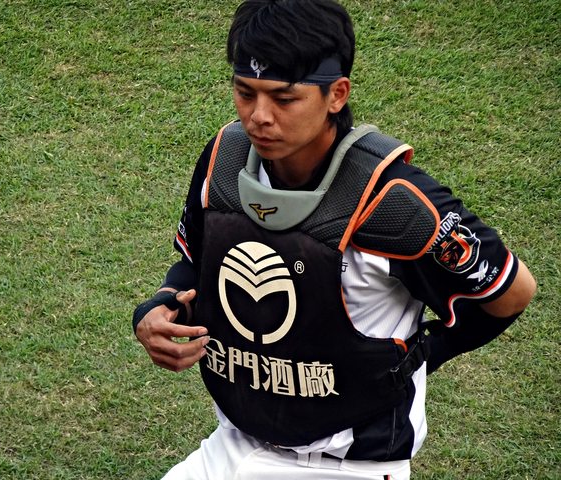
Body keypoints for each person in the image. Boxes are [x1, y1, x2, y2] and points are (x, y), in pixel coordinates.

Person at [132, 1, 537, 478]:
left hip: (347, 469)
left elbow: (512, 291)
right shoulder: (226, 161)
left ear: (337, 94)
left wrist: (420, 357)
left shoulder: (395, 204)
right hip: (230, 448)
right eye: (245, 92)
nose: (259, 116)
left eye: (284, 99)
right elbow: (193, 263)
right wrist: (159, 307)